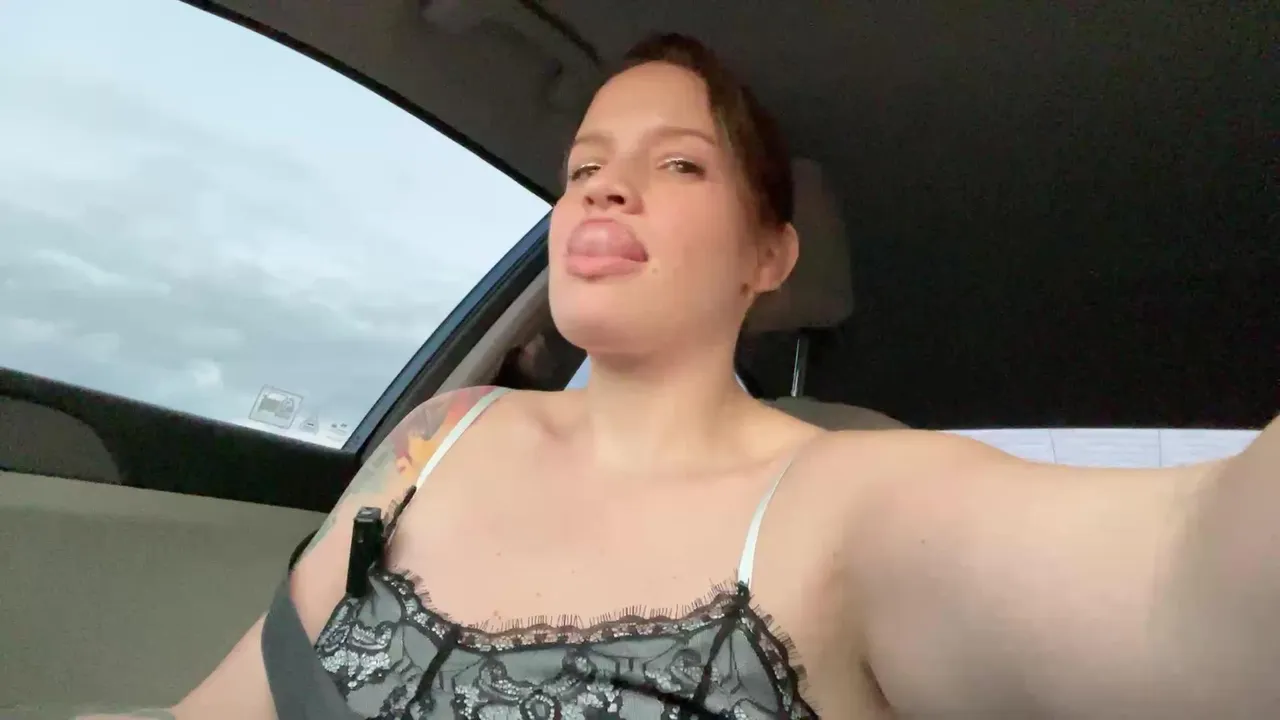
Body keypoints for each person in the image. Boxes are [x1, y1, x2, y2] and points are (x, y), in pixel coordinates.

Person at [86, 33, 1279, 720]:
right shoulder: (440, 437)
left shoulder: (847, 498)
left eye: (680, 166)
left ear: (770, 256)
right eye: (583, 168)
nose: (604, 187)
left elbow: (1191, 585)